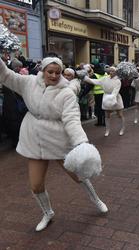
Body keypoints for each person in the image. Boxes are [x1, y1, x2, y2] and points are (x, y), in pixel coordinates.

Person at [0, 56, 108, 232]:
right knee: (35, 185)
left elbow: (72, 119)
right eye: (50, 72)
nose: (54, 75)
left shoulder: (66, 92)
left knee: (78, 175)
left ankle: (96, 199)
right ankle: (48, 213)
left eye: (58, 72)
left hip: (59, 139)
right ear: (42, 71)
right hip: (34, 139)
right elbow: (5, 75)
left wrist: (81, 144)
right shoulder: (28, 82)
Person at [84, 67, 125, 137]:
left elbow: (115, 91)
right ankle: (107, 130)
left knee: (120, 115)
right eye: (110, 71)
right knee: (107, 115)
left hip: (116, 98)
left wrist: (112, 99)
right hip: (106, 97)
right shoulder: (105, 78)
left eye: (113, 71)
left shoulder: (118, 81)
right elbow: (96, 81)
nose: (111, 72)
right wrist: (86, 78)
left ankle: (122, 128)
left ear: (116, 72)